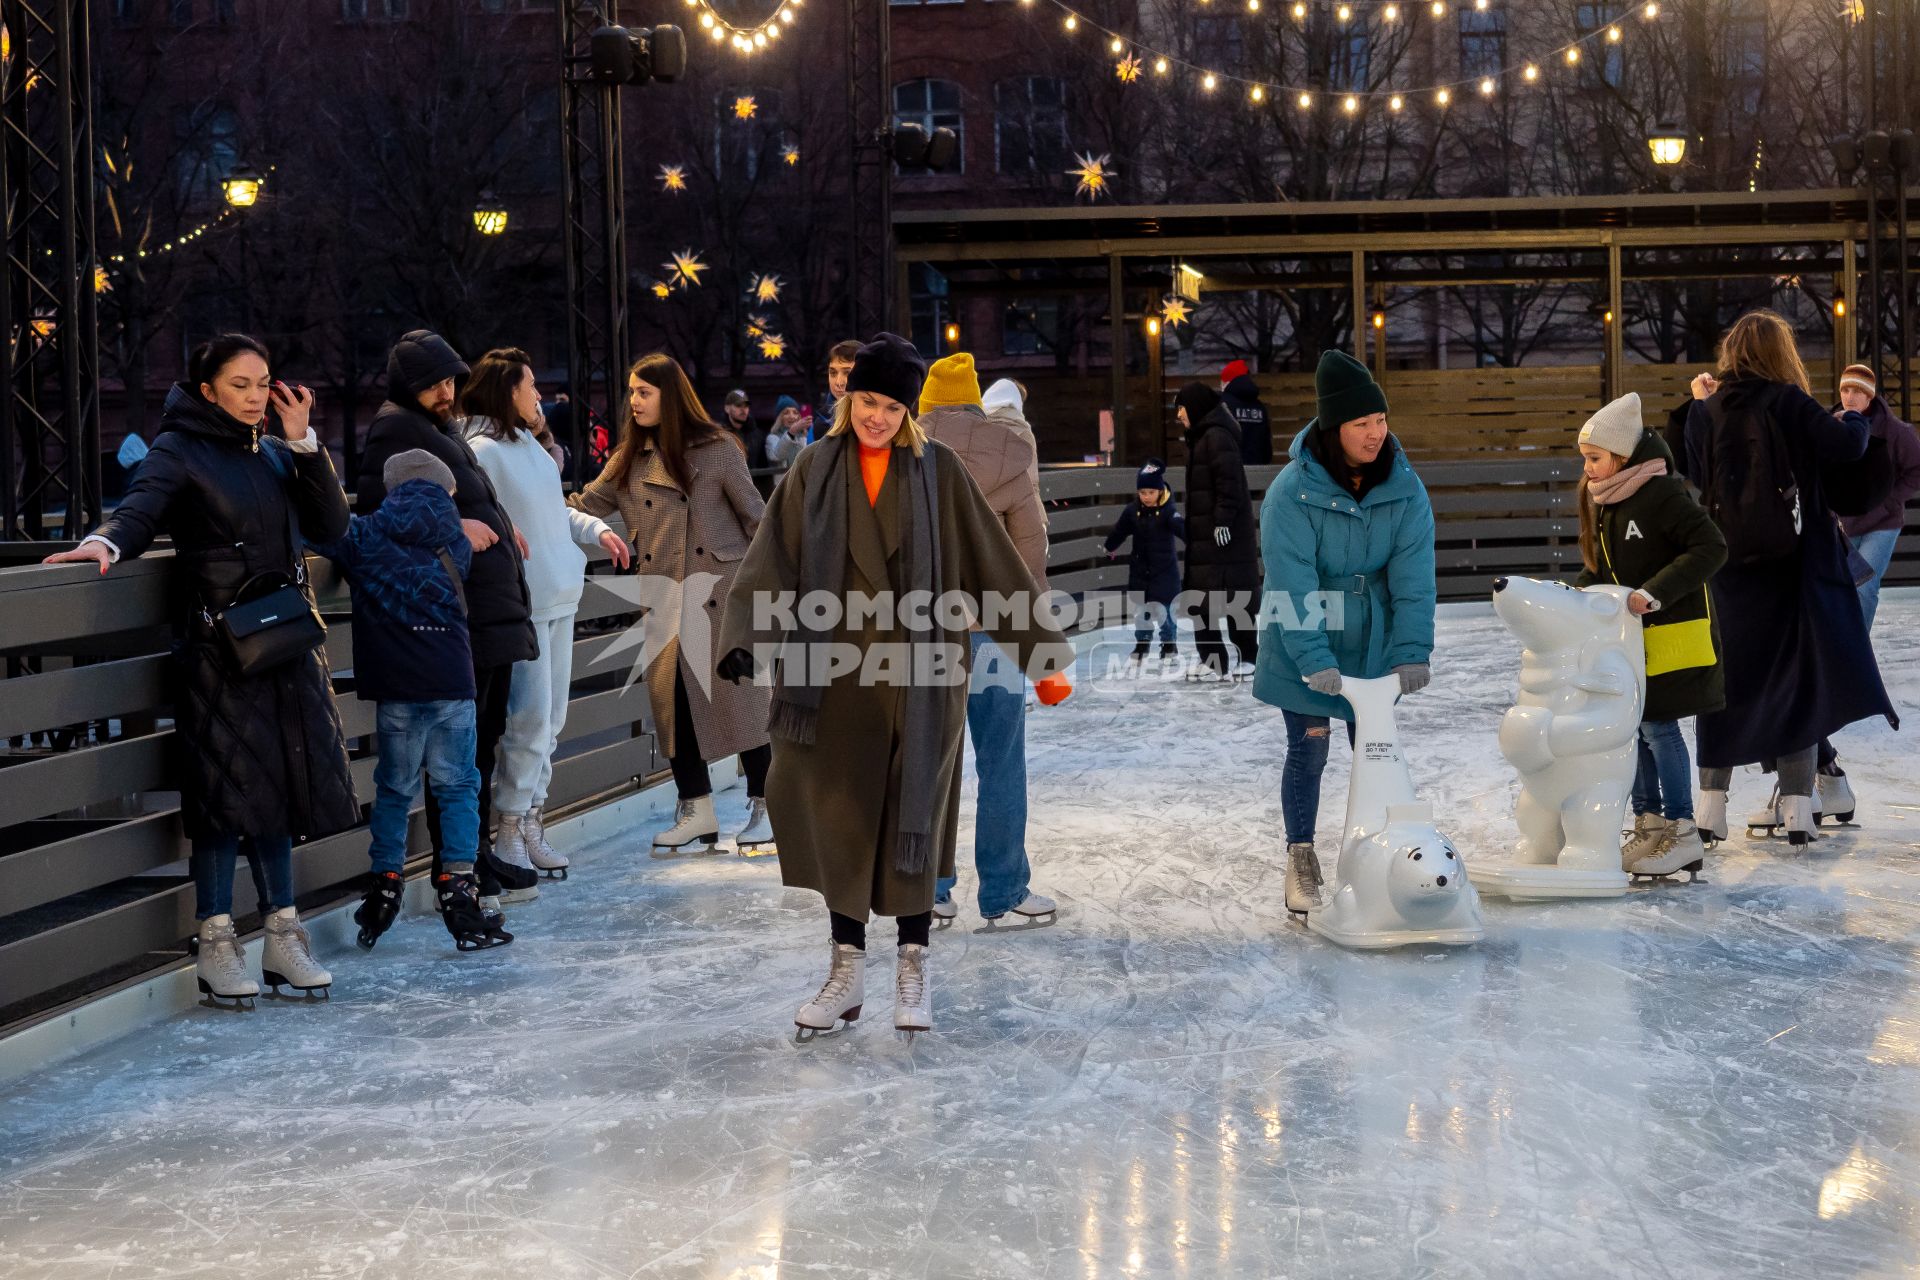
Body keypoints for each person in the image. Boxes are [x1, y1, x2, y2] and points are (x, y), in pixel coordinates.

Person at [715, 333, 1076, 1042]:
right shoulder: (815, 468)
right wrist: (743, 642)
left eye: (890, 405)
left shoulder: (937, 471)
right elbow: (772, 560)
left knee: (917, 820)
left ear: (910, 411)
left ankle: (913, 963)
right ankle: (845, 970)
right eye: (866, 401)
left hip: (922, 675)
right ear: (848, 400)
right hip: (833, 680)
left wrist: (1041, 657)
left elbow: (992, 563)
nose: (876, 416)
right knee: (838, 818)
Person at [43, 335, 356, 1005]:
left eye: (262, 384)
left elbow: (330, 526)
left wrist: (304, 445)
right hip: (219, 652)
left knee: (279, 790)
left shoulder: (275, 453)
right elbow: (139, 510)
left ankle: (282, 936)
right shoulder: (177, 449)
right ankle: (216, 943)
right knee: (225, 796)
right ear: (207, 389)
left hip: (286, 643)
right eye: (240, 385)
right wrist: (102, 542)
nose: (253, 397)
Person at [1678, 311, 1899, 846]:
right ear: (1782, 353)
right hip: (1794, 566)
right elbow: (1847, 450)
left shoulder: (1706, 411)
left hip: (1730, 568)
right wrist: (1853, 419)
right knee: (1798, 683)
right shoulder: (1789, 401)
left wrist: (1699, 403)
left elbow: (1695, 472)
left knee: (1726, 683)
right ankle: (1800, 807)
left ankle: (1709, 807)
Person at [356, 330, 541, 918]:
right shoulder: (395, 428)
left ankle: (472, 856)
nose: (445, 390)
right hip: (456, 606)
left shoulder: (438, 427)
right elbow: (376, 510)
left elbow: (471, 492)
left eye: (450, 380)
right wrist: (453, 528)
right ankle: (455, 865)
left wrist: (498, 521)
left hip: (482, 600)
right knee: (459, 751)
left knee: (481, 740)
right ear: (407, 387)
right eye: (433, 383)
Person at [1252, 350, 1436, 915]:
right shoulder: (1292, 493)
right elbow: (1291, 583)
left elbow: (1412, 578)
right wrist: (1311, 656)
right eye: (1362, 423)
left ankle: (1379, 855)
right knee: (1310, 751)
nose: (1376, 433)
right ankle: (1301, 856)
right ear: (1334, 428)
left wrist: (1410, 652)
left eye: (1381, 420)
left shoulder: (1404, 489)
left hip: (1374, 646)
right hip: (1303, 644)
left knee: (1376, 753)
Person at [570, 354, 775, 855]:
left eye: (644, 392)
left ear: (670, 396)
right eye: (632, 392)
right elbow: (582, 507)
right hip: (663, 595)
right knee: (675, 706)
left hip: (721, 592)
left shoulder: (718, 449)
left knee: (741, 700)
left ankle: (768, 804)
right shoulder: (627, 459)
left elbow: (757, 519)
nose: (633, 401)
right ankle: (696, 809)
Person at [315, 450, 509, 951]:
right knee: (459, 787)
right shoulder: (455, 544)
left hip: (397, 687)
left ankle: (385, 883)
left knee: (395, 789)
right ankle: (459, 887)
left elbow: (322, 531)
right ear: (447, 494)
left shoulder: (363, 538)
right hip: (451, 682)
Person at [465, 348, 632, 889]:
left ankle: (532, 817)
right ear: (505, 390)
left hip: (560, 594)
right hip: (526, 603)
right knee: (528, 720)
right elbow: (492, 516)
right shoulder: (483, 450)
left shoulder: (527, 448)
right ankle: (509, 826)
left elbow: (550, 509)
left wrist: (594, 530)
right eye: (529, 385)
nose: (537, 394)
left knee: (552, 722)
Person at [916, 354, 1066, 931]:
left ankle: (932, 890)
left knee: (932, 764)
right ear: (976, 403)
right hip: (994, 634)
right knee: (1002, 760)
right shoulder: (1008, 452)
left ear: (927, 403)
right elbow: (1030, 555)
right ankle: (1004, 891)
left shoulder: (904, 453)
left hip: (925, 633)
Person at [1570, 393, 1728, 876]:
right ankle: (1651, 823)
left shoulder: (1661, 494)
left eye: (1595, 459)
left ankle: (1682, 829)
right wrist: (1570, 597)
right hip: (1631, 643)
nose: (1589, 469)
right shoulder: (1610, 501)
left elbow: (1711, 547)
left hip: (1672, 637)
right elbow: (1607, 571)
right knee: (1632, 728)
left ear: (1621, 455)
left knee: (1659, 727)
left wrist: (1653, 593)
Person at [1174, 382, 1261, 678]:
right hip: (1205, 535)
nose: (1179, 415)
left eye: (1182, 408)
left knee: (1237, 595)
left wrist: (1223, 521)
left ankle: (1249, 654)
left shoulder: (1216, 437)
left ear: (1195, 407)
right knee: (1202, 598)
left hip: (1226, 535)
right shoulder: (1202, 437)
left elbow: (1229, 483)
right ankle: (1213, 660)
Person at [1834, 364, 1920, 633]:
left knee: (1865, 584)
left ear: (1869, 395)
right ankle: (1844, 648)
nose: (1849, 396)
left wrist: (1890, 500)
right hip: (1845, 522)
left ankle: (1858, 651)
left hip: (1882, 522)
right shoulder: (1833, 424)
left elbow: (1917, 469)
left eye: (1856, 391)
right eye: (1845, 389)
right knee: (1842, 585)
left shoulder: (1896, 432)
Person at [1105, 457, 1186, 665]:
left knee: (1165, 612)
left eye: (1151, 492)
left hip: (1164, 572)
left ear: (1159, 491)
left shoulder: (1169, 511)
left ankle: (1169, 644)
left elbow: (1182, 528)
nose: (1147, 497)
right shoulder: (1133, 511)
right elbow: (1120, 530)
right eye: (1142, 493)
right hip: (1140, 571)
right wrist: (1110, 546)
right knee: (1141, 612)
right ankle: (1142, 644)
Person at [1220, 359, 1273, 466]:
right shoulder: (1259, 406)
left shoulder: (1221, 404)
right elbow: (1266, 448)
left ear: (1226, 382)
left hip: (1229, 470)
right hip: (1258, 469)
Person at [721, 388, 769, 477]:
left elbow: (764, 469)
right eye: (738, 405)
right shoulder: (719, 435)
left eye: (746, 406)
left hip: (752, 486)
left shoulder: (758, 435)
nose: (743, 410)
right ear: (727, 408)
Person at [763, 394, 811, 477]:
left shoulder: (803, 437)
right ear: (780, 417)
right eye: (786, 413)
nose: (791, 416)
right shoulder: (772, 437)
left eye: (795, 412)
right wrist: (791, 433)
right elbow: (777, 456)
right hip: (781, 486)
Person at [818, 339, 860, 428]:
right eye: (833, 373)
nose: (838, 382)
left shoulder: (883, 420)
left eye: (847, 373)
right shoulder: (820, 425)